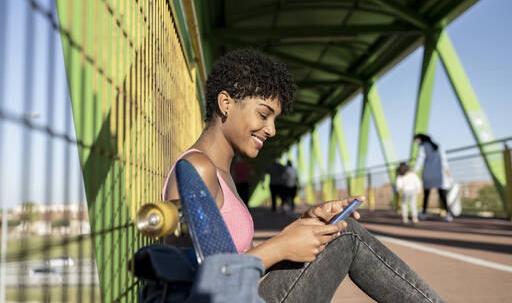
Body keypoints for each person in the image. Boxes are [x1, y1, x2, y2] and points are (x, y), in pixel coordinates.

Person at [162, 48, 445, 302]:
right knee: (348, 238)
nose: (272, 130)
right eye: (263, 115)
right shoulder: (197, 170)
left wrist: (302, 226)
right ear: (226, 104)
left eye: (275, 120)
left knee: (337, 232)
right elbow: (191, 283)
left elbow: (242, 265)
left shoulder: (221, 174)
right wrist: (282, 244)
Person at [413, 133, 453, 222]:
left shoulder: (423, 147)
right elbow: (444, 162)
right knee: (443, 196)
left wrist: (414, 172)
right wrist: (448, 174)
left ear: (420, 139)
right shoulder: (439, 146)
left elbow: (419, 160)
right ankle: (448, 214)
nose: (416, 142)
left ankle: (423, 213)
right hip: (440, 175)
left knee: (426, 195)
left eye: (416, 140)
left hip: (428, 174)